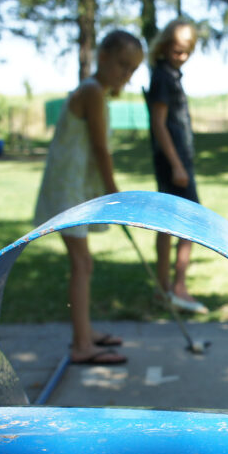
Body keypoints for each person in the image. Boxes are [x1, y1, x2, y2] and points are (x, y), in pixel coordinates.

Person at [33, 30, 145, 365]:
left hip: (73, 187)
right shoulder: (93, 91)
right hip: (68, 189)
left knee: (84, 263)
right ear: (103, 56)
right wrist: (114, 192)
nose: (125, 74)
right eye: (122, 65)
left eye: (132, 70)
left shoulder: (96, 92)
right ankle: (82, 345)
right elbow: (100, 148)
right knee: (81, 264)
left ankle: (85, 332)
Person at [148, 18, 208, 314]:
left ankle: (164, 289)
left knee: (170, 225)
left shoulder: (169, 75)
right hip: (174, 165)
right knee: (190, 223)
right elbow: (159, 125)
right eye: (176, 50)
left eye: (187, 51)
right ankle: (176, 287)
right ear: (164, 46)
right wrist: (176, 165)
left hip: (179, 162)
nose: (181, 56)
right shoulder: (162, 77)